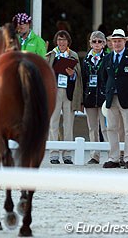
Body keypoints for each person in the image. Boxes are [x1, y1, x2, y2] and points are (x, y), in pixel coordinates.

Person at [100, 29, 128, 169]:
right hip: (112, 97)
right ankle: (114, 157)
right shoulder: (107, 58)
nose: (117, 43)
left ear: (125, 41)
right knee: (111, 128)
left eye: (119, 41)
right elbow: (103, 77)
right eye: (114, 41)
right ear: (111, 42)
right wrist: (108, 91)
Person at [46, 30, 83, 164]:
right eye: (59, 40)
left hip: (69, 92)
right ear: (56, 41)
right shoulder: (51, 55)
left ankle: (67, 154)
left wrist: (72, 73)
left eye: (64, 40)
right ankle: (54, 154)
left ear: (68, 41)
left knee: (68, 124)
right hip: (54, 92)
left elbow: (78, 76)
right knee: (53, 123)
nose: (62, 42)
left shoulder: (73, 55)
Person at [82, 31, 108, 164]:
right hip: (90, 97)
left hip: (103, 97)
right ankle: (94, 155)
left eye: (99, 41)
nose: (96, 44)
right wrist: (82, 99)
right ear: (90, 43)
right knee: (92, 128)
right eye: (94, 41)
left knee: (106, 128)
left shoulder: (108, 57)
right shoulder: (86, 59)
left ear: (104, 44)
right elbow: (83, 79)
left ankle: (111, 154)